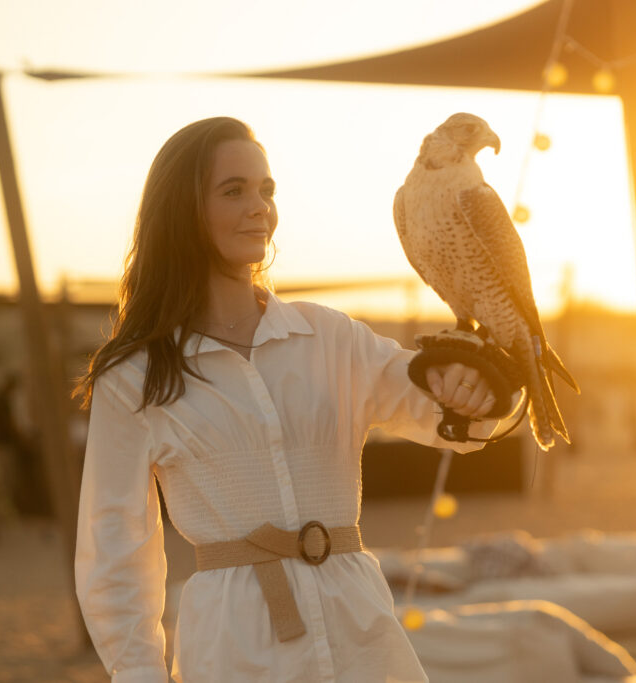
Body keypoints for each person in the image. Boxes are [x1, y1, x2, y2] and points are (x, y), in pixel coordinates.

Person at [74, 116, 498, 683]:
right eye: (234, 191)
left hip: (363, 639)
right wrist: (141, 676)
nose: (260, 208)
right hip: (234, 650)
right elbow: (114, 550)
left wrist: (479, 387)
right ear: (182, 211)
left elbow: (456, 419)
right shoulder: (135, 375)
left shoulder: (330, 338)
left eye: (267, 190)